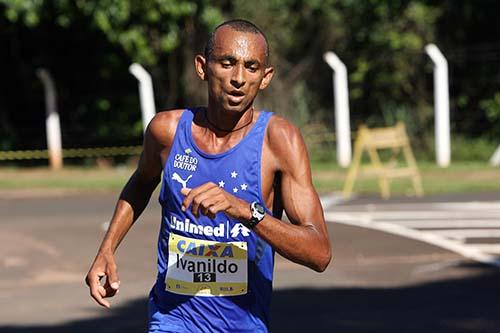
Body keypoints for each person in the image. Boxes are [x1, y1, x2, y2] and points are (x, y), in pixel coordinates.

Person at [85, 19, 331, 332]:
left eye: (251, 67)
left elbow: (320, 253)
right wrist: (107, 248)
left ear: (266, 77)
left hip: (244, 325)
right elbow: (141, 182)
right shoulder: (167, 132)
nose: (239, 78)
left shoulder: (279, 141)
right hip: (172, 319)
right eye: (227, 63)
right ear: (203, 67)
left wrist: (244, 210)